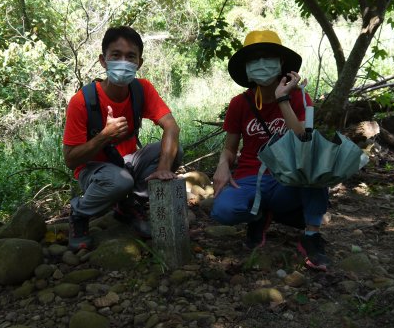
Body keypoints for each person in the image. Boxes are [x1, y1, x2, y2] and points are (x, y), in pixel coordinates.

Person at [210, 30, 330, 271]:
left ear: (281, 63)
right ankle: (259, 215)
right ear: (246, 67)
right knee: (223, 211)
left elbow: (304, 140)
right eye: (254, 59)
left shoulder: (300, 99)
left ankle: (311, 234)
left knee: (316, 169)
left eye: (268, 57)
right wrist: (223, 166)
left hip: (287, 179)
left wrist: (283, 99)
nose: (261, 64)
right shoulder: (239, 103)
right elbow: (230, 148)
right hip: (250, 177)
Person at [63, 26, 181, 251]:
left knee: (173, 150)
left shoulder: (141, 89)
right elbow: (70, 160)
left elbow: (172, 128)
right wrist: (103, 137)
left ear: (139, 63)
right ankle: (79, 212)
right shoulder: (82, 102)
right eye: (116, 55)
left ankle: (128, 205)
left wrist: (164, 167)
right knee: (121, 181)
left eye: (130, 57)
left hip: (127, 161)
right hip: (93, 170)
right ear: (103, 60)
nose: (123, 62)